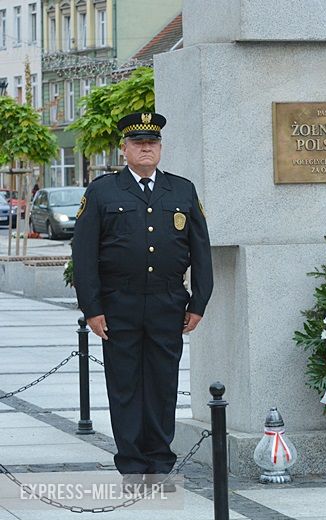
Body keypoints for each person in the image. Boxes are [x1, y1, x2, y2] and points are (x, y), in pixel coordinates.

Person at [72, 112, 213, 491]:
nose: (146, 148)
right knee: (125, 386)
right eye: (138, 143)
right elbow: (83, 255)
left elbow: (200, 250)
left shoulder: (181, 190)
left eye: (152, 142)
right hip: (120, 304)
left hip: (168, 304)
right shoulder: (103, 192)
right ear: (124, 149)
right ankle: (133, 467)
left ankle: (160, 466)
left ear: (161, 148)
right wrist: (92, 308)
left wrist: (199, 302)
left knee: (163, 385)